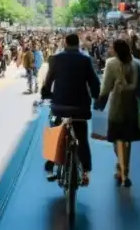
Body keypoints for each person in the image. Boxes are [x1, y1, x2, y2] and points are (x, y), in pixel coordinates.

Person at [41, 32, 101, 186]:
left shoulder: (56, 59)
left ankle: (50, 165)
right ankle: (86, 170)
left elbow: (48, 82)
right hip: (80, 107)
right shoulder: (85, 60)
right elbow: (94, 83)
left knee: (55, 133)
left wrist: (47, 94)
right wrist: (96, 97)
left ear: (65, 42)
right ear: (78, 43)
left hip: (59, 106)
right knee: (82, 138)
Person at [97, 38, 140, 187]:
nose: (110, 49)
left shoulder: (111, 64)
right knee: (127, 140)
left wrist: (99, 101)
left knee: (117, 139)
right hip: (132, 106)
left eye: (112, 47)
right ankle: (124, 170)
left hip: (117, 106)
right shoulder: (135, 64)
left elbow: (106, 87)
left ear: (116, 50)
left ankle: (122, 168)